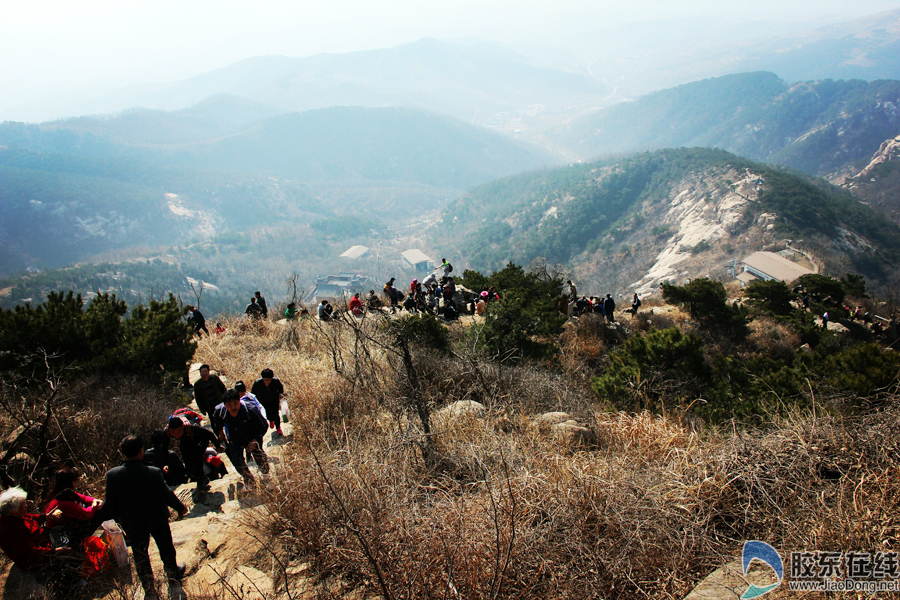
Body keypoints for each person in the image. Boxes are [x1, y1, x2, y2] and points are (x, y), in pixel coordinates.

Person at [104, 435, 187, 597]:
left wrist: (119, 521)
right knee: (166, 549)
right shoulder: (153, 472)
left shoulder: (112, 475)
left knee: (140, 555)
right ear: (141, 451)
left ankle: (149, 589)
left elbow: (110, 505)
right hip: (157, 519)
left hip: (133, 523)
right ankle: (172, 577)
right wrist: (181, 508)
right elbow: (167, 495)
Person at [0, 486, 70, 572]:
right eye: (22, 506)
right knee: (68, 559)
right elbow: (32, 552)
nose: (26, 506)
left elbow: (29, 517)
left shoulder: (14, 516)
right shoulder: (12, 530)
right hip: (35, 560)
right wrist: (55, 551)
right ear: (14, 512)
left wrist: (46, 517)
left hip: (43, 541)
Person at [212, 390, 269, 487]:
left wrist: (254, 440)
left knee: (260, 457)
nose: (233, 407)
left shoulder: (250, 409)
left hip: (251, 435)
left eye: (235, 403)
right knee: (236, 460)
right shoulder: (220, 411)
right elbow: (217, 422)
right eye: (229, 405)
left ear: (239, 401)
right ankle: (249, 480)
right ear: (225, 405)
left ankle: (266, 476)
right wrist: (220, 432)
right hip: (234, 437)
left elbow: (263, 426)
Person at [43, 467, 103, 547]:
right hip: (62, 534)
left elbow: (83, 498)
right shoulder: (62, 503)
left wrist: (94, 500)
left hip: (66, 526)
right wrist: (94, 507)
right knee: (100, 512)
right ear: (71, 483)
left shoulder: (61, 493)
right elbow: (86, 514)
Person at [165, 416, 223, 497]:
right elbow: (164, 449)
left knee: (195, 456)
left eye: (178, 432)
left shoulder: (192, 427)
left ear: (182, 427)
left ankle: (201, 479)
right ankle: (200, 478)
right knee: (187, 462)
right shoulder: (167, 432)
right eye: (173, 433)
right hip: (186, 440)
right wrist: (165, 463)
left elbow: (209, 434)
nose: (176, 435)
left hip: (201, 440)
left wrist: (218, 446)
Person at [251, 368, 286, 436]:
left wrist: (281, 394)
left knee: (276, 413)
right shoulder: (257, 383)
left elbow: (280, 388)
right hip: (263, 400)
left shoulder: (275, 381)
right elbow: (253, 393)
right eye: (266, 380)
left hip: (274, 399)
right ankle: (270, 420)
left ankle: (278, 427)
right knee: (267, 413)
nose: (268, 382)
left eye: (269, 380)